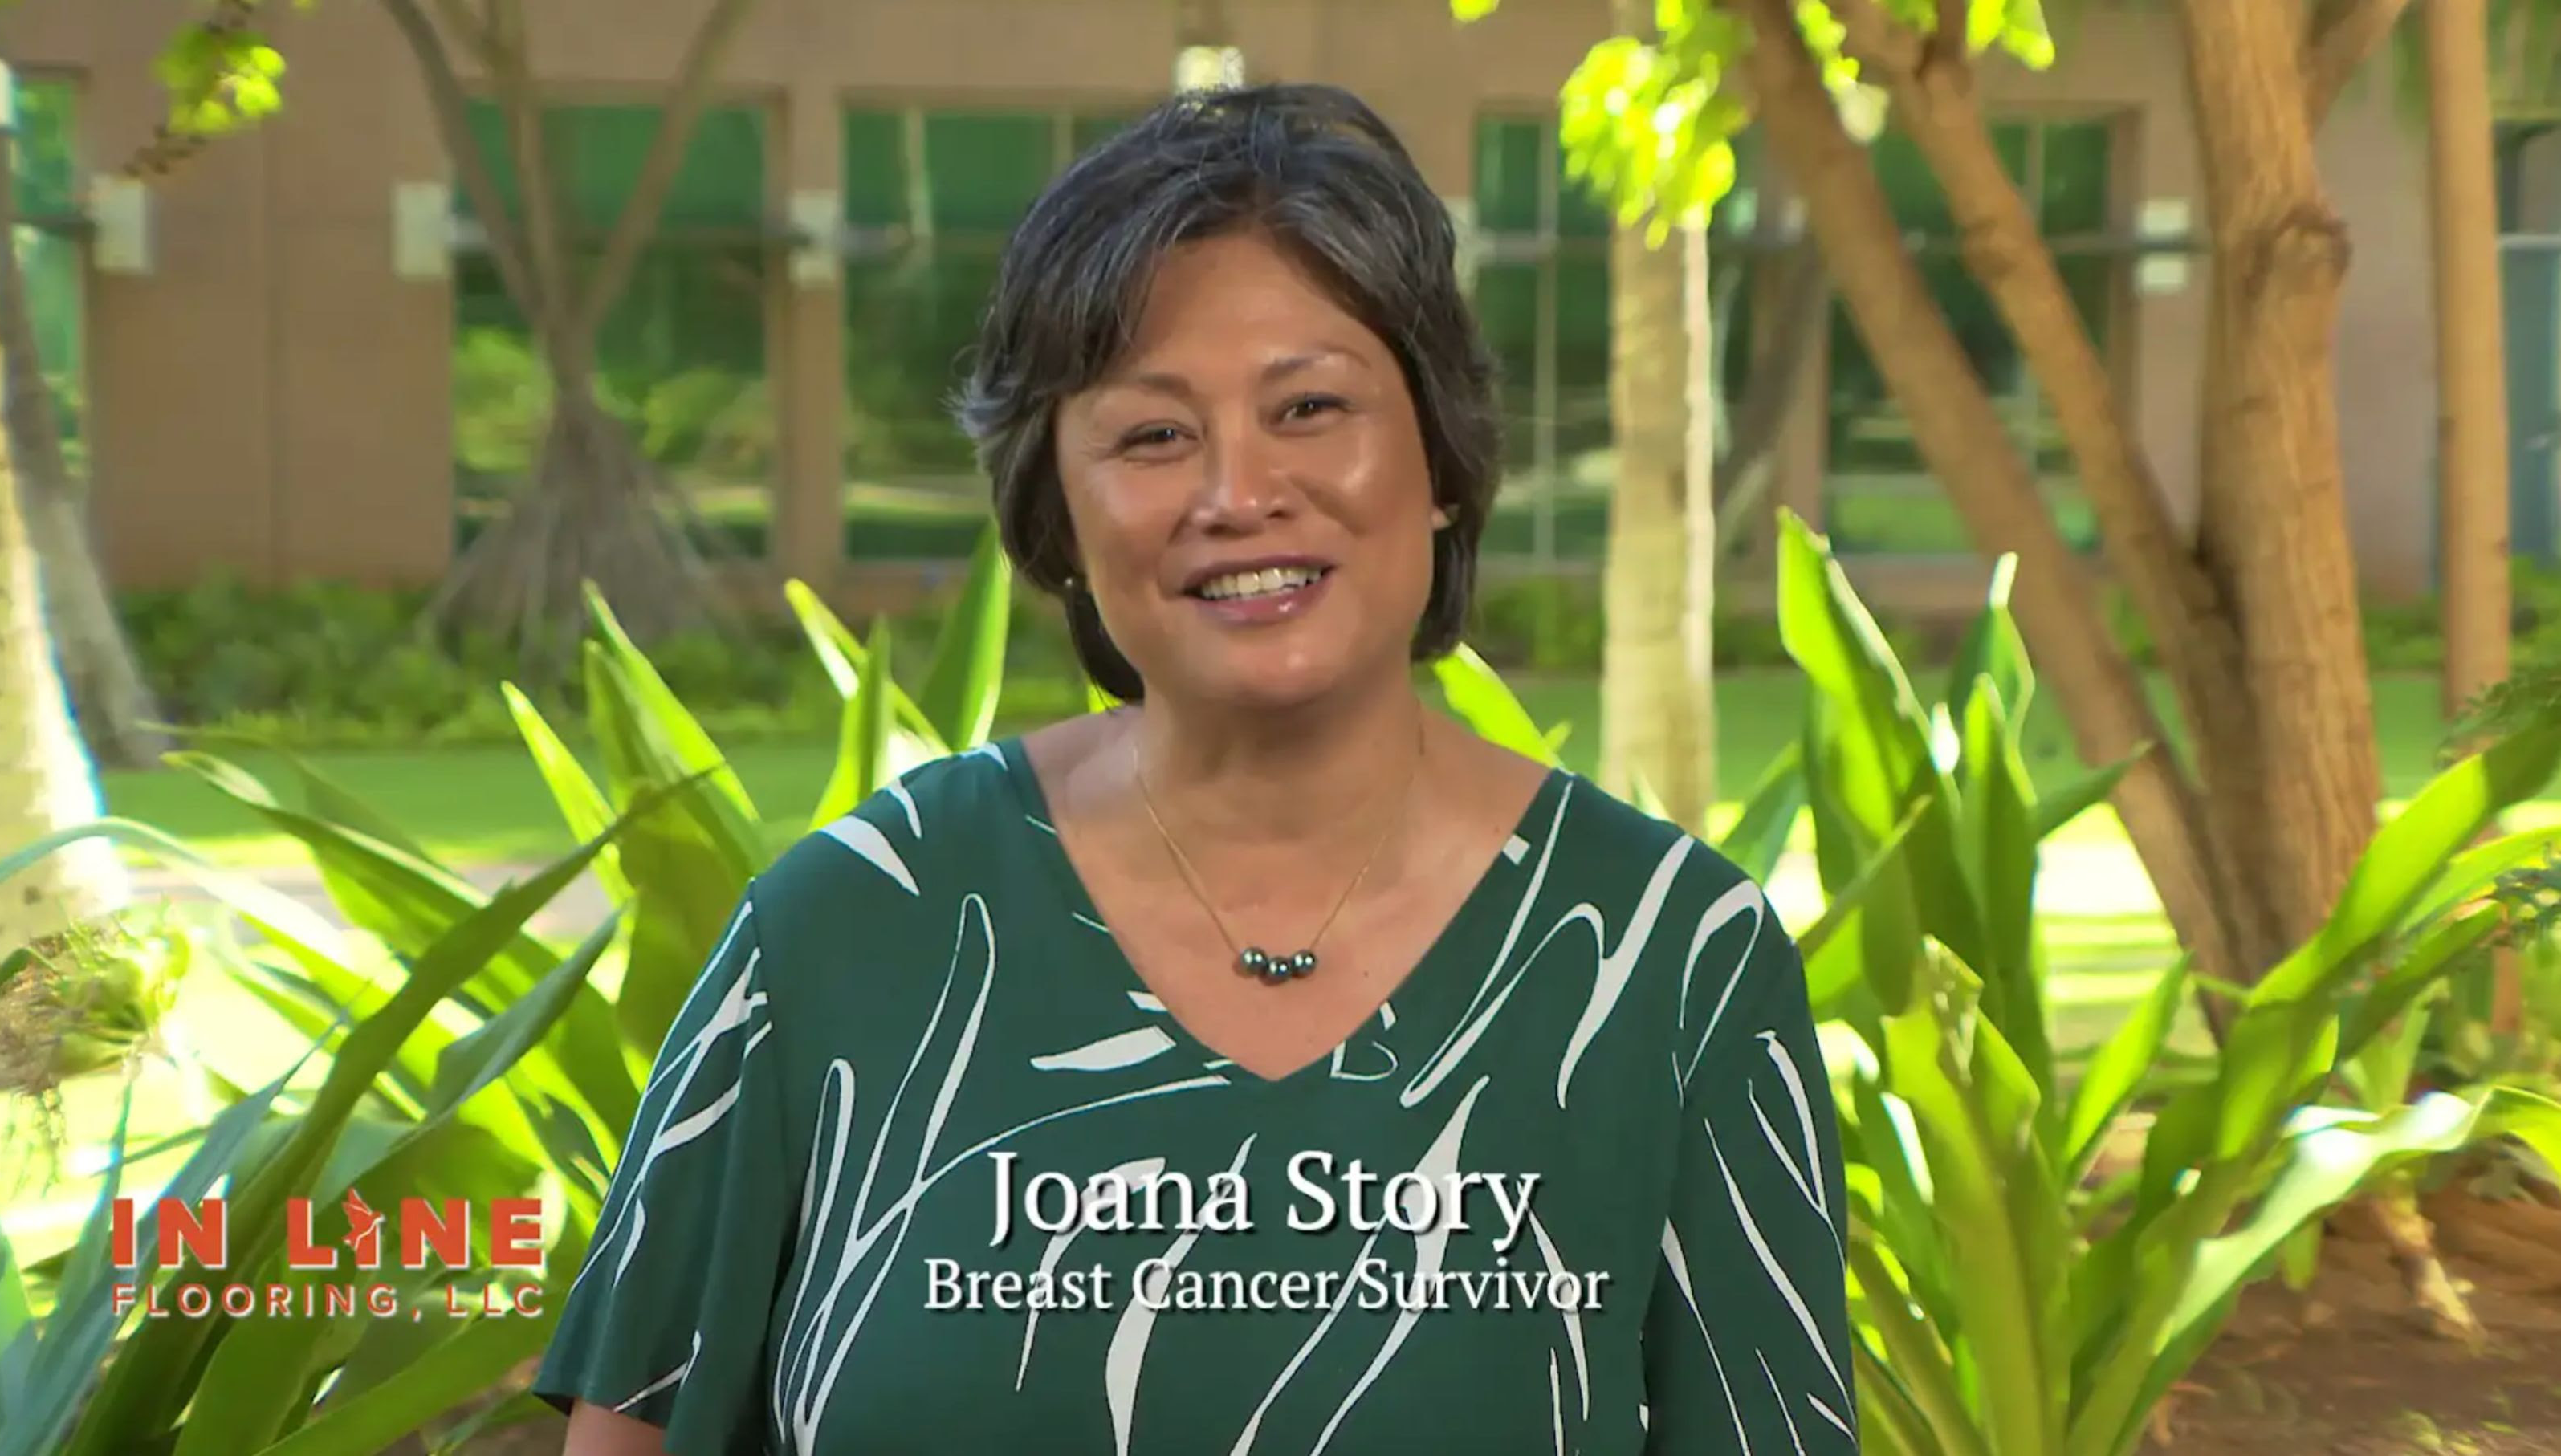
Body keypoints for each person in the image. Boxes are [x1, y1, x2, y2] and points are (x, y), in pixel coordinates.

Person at [538, 82, 1855, 1456]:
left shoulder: (1670, 964)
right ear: (1056, 509)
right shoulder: (847, 933)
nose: (1238, 494)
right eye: (1153, 435)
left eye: (1310, 406)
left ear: (1441, 459)